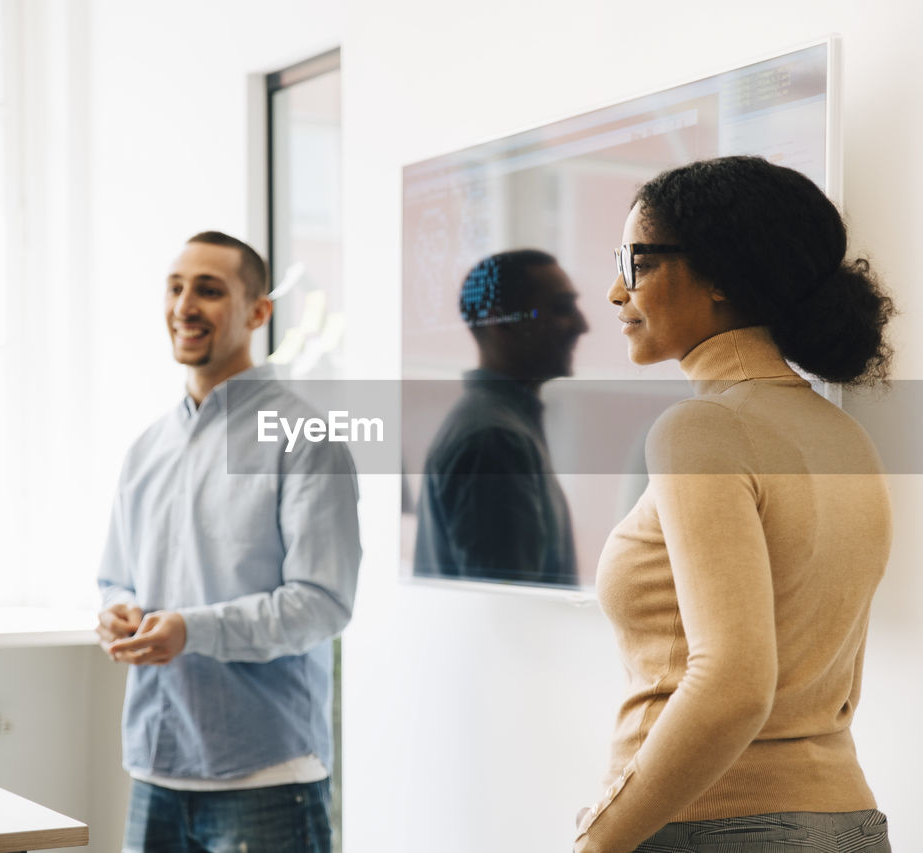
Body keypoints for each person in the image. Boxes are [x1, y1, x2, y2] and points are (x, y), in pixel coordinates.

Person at [574, 156, 896, 853]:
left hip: (716, 825)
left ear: (719, 274)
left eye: (637, 264)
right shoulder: (842, 434)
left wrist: (599, 837)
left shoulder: (703, 428)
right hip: (845, 823)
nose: (613, 291)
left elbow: (734, 682)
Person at [95, 231, 361, 853]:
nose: (185, 305)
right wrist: (115, 612)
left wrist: (190, 629)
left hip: (264, 778)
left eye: (209, 291)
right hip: (155, 768)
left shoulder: (306, 439)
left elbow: (321, 604)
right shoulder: (146, 448)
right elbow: (115, 577)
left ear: (258, 312)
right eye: (176, 287)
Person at [413, 249, 588, 587]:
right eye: (561, 308)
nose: (582, 325)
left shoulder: (499, 426)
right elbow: (508, 612)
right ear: (500, 322)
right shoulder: (493, 439)